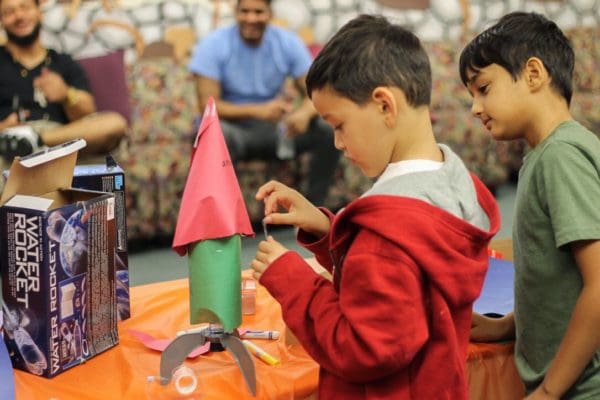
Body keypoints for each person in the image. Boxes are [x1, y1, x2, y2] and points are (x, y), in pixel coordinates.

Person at [250, 14, 501, 399]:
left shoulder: (384, 235)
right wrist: (328, 228)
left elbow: (364, 347)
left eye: (339, 125)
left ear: (385, 105)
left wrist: (294, 282)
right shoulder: (453, 183)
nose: (336, 142)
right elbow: (406, 279)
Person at [460, 11, 600, 399]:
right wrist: (508, 325)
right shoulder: (548, 155)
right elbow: (558, 277)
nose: (475, 107)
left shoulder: (561, 157)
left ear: (534, 74)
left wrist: (551, 390)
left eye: (483, 88)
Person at [188, 0, 340, 206]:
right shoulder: (213, 45)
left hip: (276, 131)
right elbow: (208, 108)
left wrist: (304, 113)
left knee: (327, 129)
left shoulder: (286, 42)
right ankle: (223, 223)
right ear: (236, 12)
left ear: (270, 13)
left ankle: (314, 211)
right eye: (245, 11)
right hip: (234, 132)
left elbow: (318, 91)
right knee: (213, 134)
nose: (251, 18)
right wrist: (256, 111)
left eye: (258, 12)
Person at [0, 0, 126, 162]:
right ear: (2, 20)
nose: (19, 16)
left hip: (60, 141)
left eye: (25, 7)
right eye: (9, 12)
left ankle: (33, 139)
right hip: (8, 144)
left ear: (39, 12)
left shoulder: (63, 62)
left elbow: (88, 113)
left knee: (114, 123)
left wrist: (66, 94)